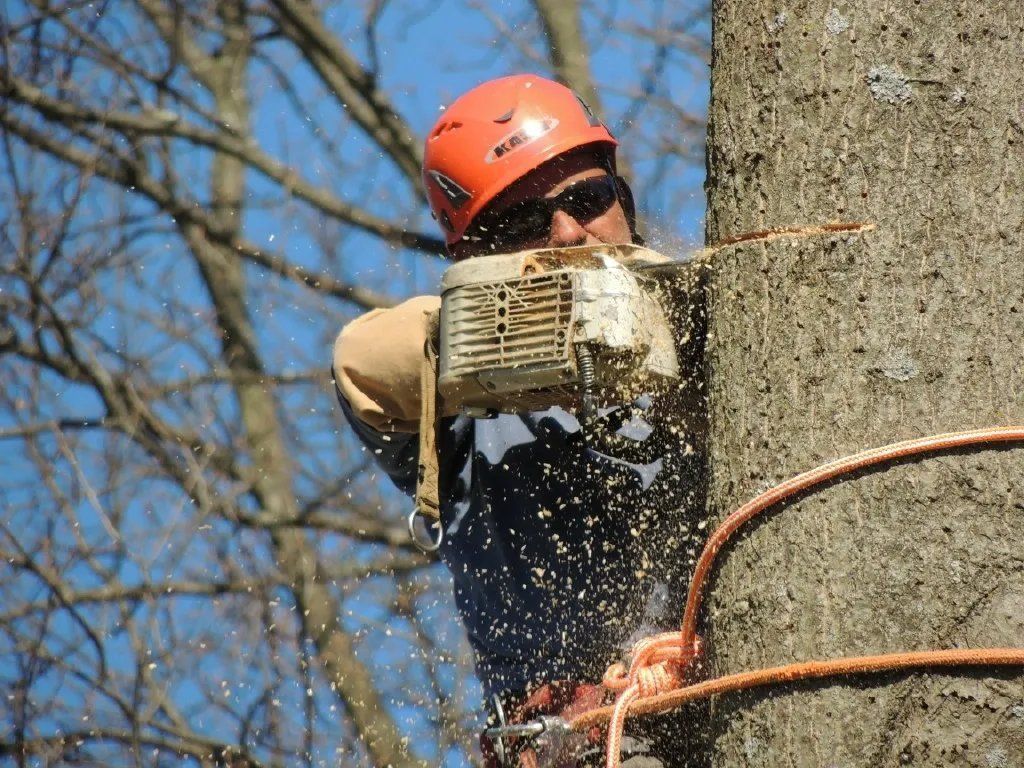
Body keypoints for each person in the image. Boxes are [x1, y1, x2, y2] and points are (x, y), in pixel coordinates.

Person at [333, 74, 702, 766]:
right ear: (476, 259)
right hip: (582, 746)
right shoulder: (467, 429)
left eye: (587, 199)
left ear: (622, 200)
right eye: (525, 223)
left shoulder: (699, 344)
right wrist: (540, 336)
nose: (567, 232)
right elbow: (360, 366)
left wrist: (668, 323)